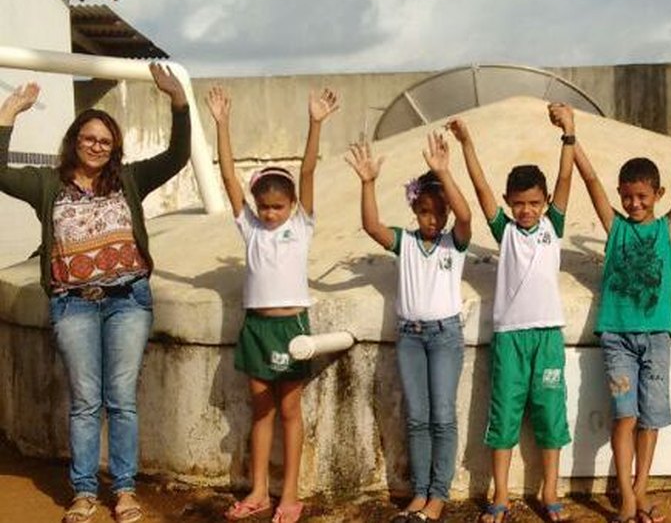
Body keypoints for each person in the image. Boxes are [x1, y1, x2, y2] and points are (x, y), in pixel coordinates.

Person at [0, 65, 191, 523]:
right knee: (86, 401)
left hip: (128, 301)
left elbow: (178, 156)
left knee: (121, 399)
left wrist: (178, 101)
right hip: (73, 303)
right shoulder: (48, 185)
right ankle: (84, 492)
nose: (97, 146)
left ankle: (124, 490)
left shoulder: (129, 181)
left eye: (105, 141)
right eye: (89, 138)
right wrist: (9, 112)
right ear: (74, 141)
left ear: (114, 148)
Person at [572, 101, 671, 523]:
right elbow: (590, 179)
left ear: (657, 196)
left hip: (657, 336)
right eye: (627, 196)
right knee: (624, 416)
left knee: (651, 418)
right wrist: (571, 135)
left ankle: (641, 488)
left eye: (642, 196)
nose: (633, 203)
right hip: (618, 336)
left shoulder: (667, 228)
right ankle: (627, 497)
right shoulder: (616, 228)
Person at [212, 86, 339, 523]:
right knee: (261, 411)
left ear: (291, 205)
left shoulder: (301, 225)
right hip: (256, 328)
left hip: (292, 330)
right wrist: (222, 124)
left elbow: (307, 171)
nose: (269, 214)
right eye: (263, 207)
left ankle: (290, 495)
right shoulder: (250, 228)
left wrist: (315, 122)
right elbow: (229, 177)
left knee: (289, 410)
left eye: (277, 207)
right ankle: (260, 490)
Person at [447, 105, 574, 523]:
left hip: (547, 337)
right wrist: (467, 144)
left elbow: (566, 177)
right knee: (503, 413)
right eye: (518, 203)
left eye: (534, 203)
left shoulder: (552, 226)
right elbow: (481, 187)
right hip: (509, 337)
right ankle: (500, 494)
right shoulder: (505, 231)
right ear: (509, 203)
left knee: (550, 414)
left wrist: (568, 134)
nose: (526, 210)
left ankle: (550, 489)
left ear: (546, 203)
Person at [346, 132, 471, 523]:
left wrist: (443, 172)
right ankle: (419, 492)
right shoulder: (406, 242)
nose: (431, 220)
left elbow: (467, 216)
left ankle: (438, 495)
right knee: (417, 416)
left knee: (443, 416)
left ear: (446, 212)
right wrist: (368, 182)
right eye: (424, 213)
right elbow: (371, 226)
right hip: (411, 337)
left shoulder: (455, 242)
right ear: (414, 211)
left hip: (445, 336)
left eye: (438, 212)